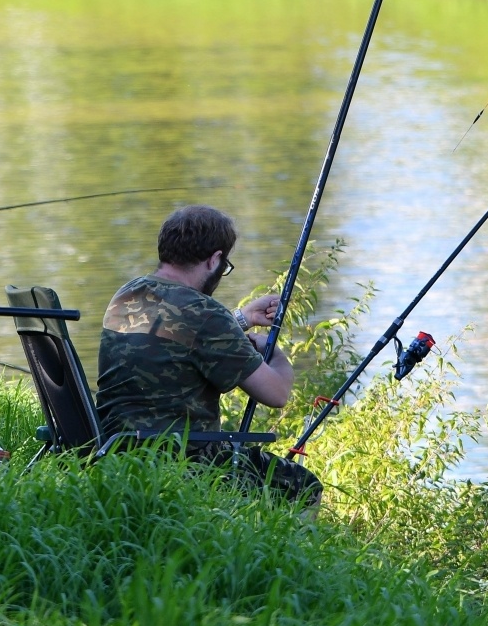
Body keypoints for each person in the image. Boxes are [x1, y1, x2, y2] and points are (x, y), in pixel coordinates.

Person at [97, 204, 321, 502]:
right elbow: (276, 394)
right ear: (215, 259)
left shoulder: (127, 294)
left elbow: (176, 331)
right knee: (304, 486)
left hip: (114, 448)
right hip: (183, 459)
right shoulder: (206, 314)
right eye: (224, 265)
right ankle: (280, 549)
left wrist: (239, 320)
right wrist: (273, 350)